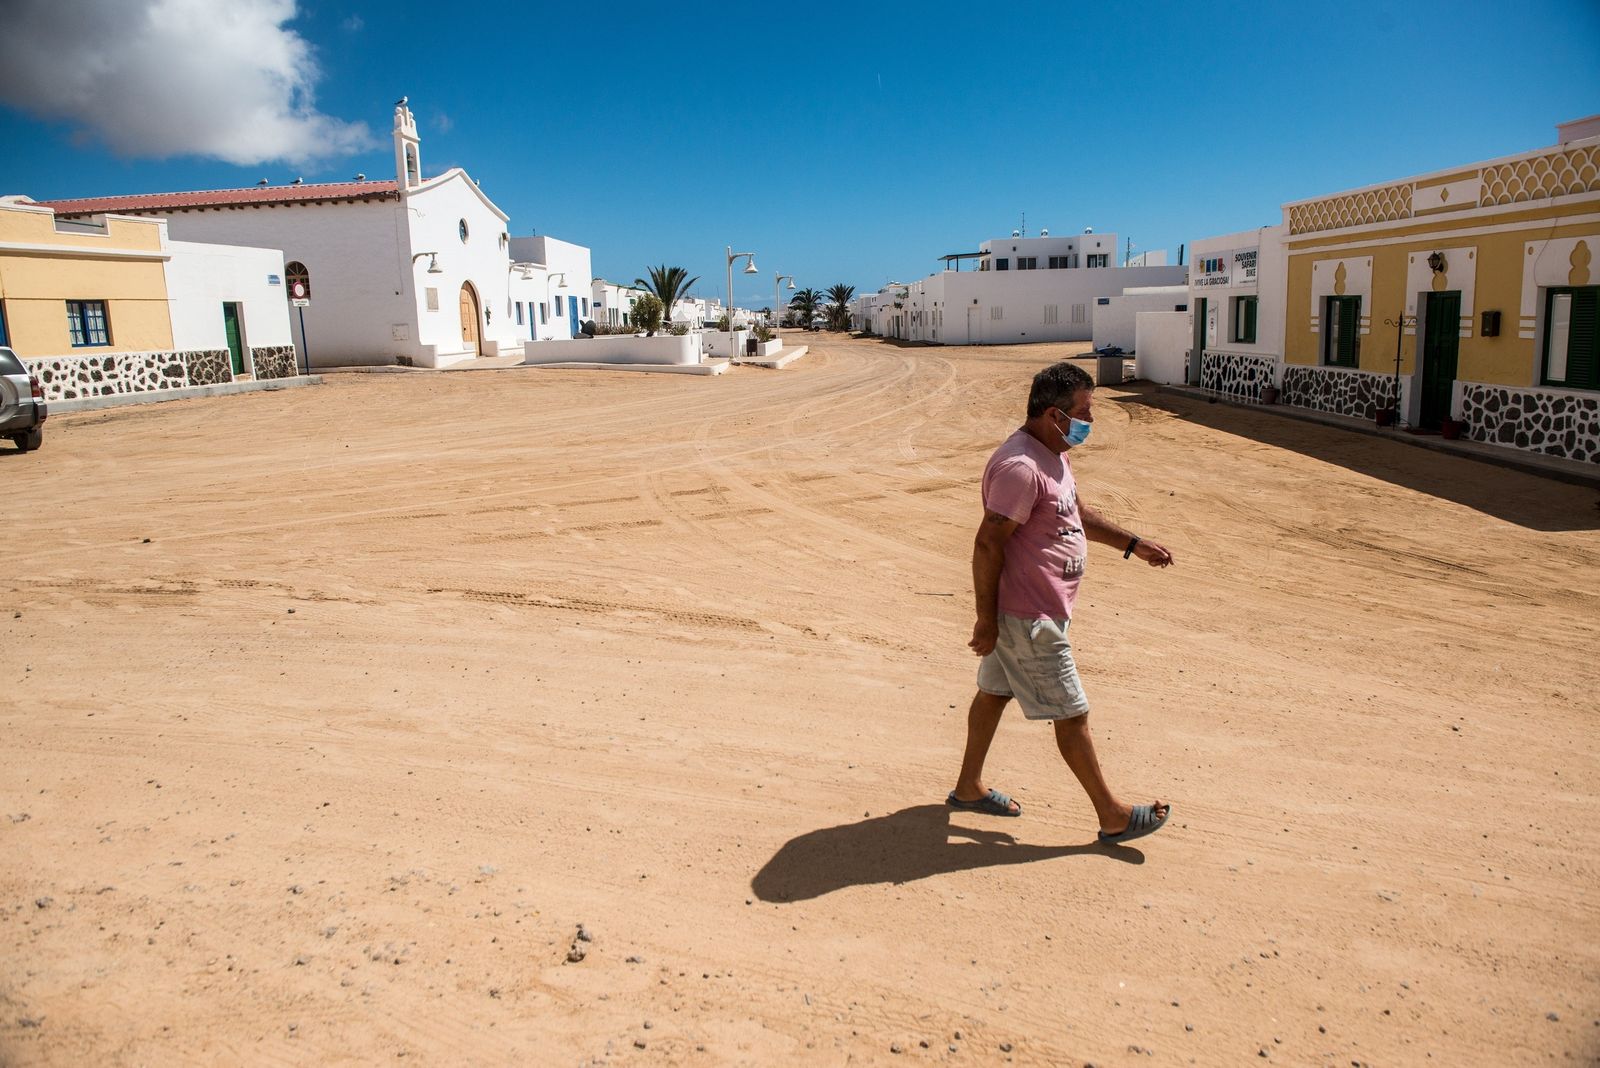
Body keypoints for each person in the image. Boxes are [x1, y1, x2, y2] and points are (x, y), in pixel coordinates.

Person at [947, 361, 1175, 845]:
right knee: (1072, 715)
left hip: (1036, 613)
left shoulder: (1054, 453)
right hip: (1028, 619)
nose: (1089, 421)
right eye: (1084, 412)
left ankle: (968, 787)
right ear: (1054, 414)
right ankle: (1112, 814)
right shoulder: (1020, 468)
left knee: (993, 695)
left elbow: (1075, 513)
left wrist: (1134, 545)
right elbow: (988, 544)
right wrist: (986, 620)